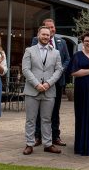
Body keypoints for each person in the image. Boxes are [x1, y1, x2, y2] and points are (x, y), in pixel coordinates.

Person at [22, 26, 64, 155]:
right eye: (43, 34)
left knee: (47, 119)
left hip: (49, 90)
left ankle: (48, 144)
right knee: (30, 119)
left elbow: (59, 70)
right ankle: (29, 144)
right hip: (32, 90)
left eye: (48, 35)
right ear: (38, 35)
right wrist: (36, 84)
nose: (46, 37)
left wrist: (48, 83)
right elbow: (25, 69)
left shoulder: (55, 53)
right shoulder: (29, 50)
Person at [31, 18, 70, 147]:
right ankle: (37, 136)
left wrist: (59, 72)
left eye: (52, 27)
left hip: (57, 82)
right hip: (41, 83)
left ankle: (55, 136)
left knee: (55, 111)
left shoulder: (62, 42)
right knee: (38, 111)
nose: (51, 30)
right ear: (43, 29)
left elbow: (67, 59)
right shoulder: (35, 41)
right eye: (48, 28)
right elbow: (34, 59)